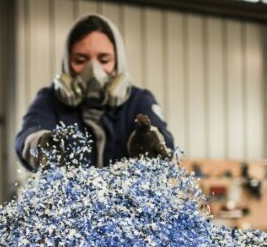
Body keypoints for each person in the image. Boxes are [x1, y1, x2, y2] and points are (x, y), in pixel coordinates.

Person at [14, 14, 174, 171]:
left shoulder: (139, 100)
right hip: (69, 197)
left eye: (104, 60)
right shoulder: (49, 101)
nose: (93, 71)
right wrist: (41, 145)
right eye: (80, 60)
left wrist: (153, 142)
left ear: (118, 63)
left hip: (127, 197)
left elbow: (164, 140)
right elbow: (27, 137)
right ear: (67, 63)